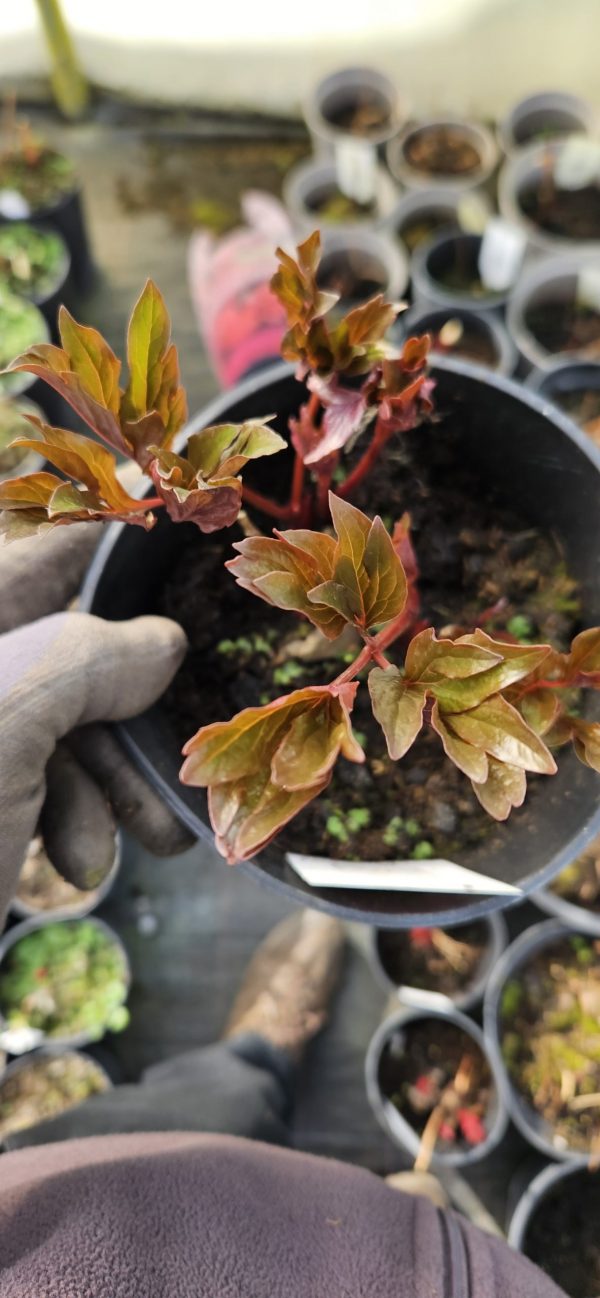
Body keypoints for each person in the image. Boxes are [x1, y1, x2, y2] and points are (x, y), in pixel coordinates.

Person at [0, 520, 565, 1297]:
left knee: (199, 1103)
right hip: (322, 1268)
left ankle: (258, 1052)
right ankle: (261, 1056)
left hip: (39, 1201)